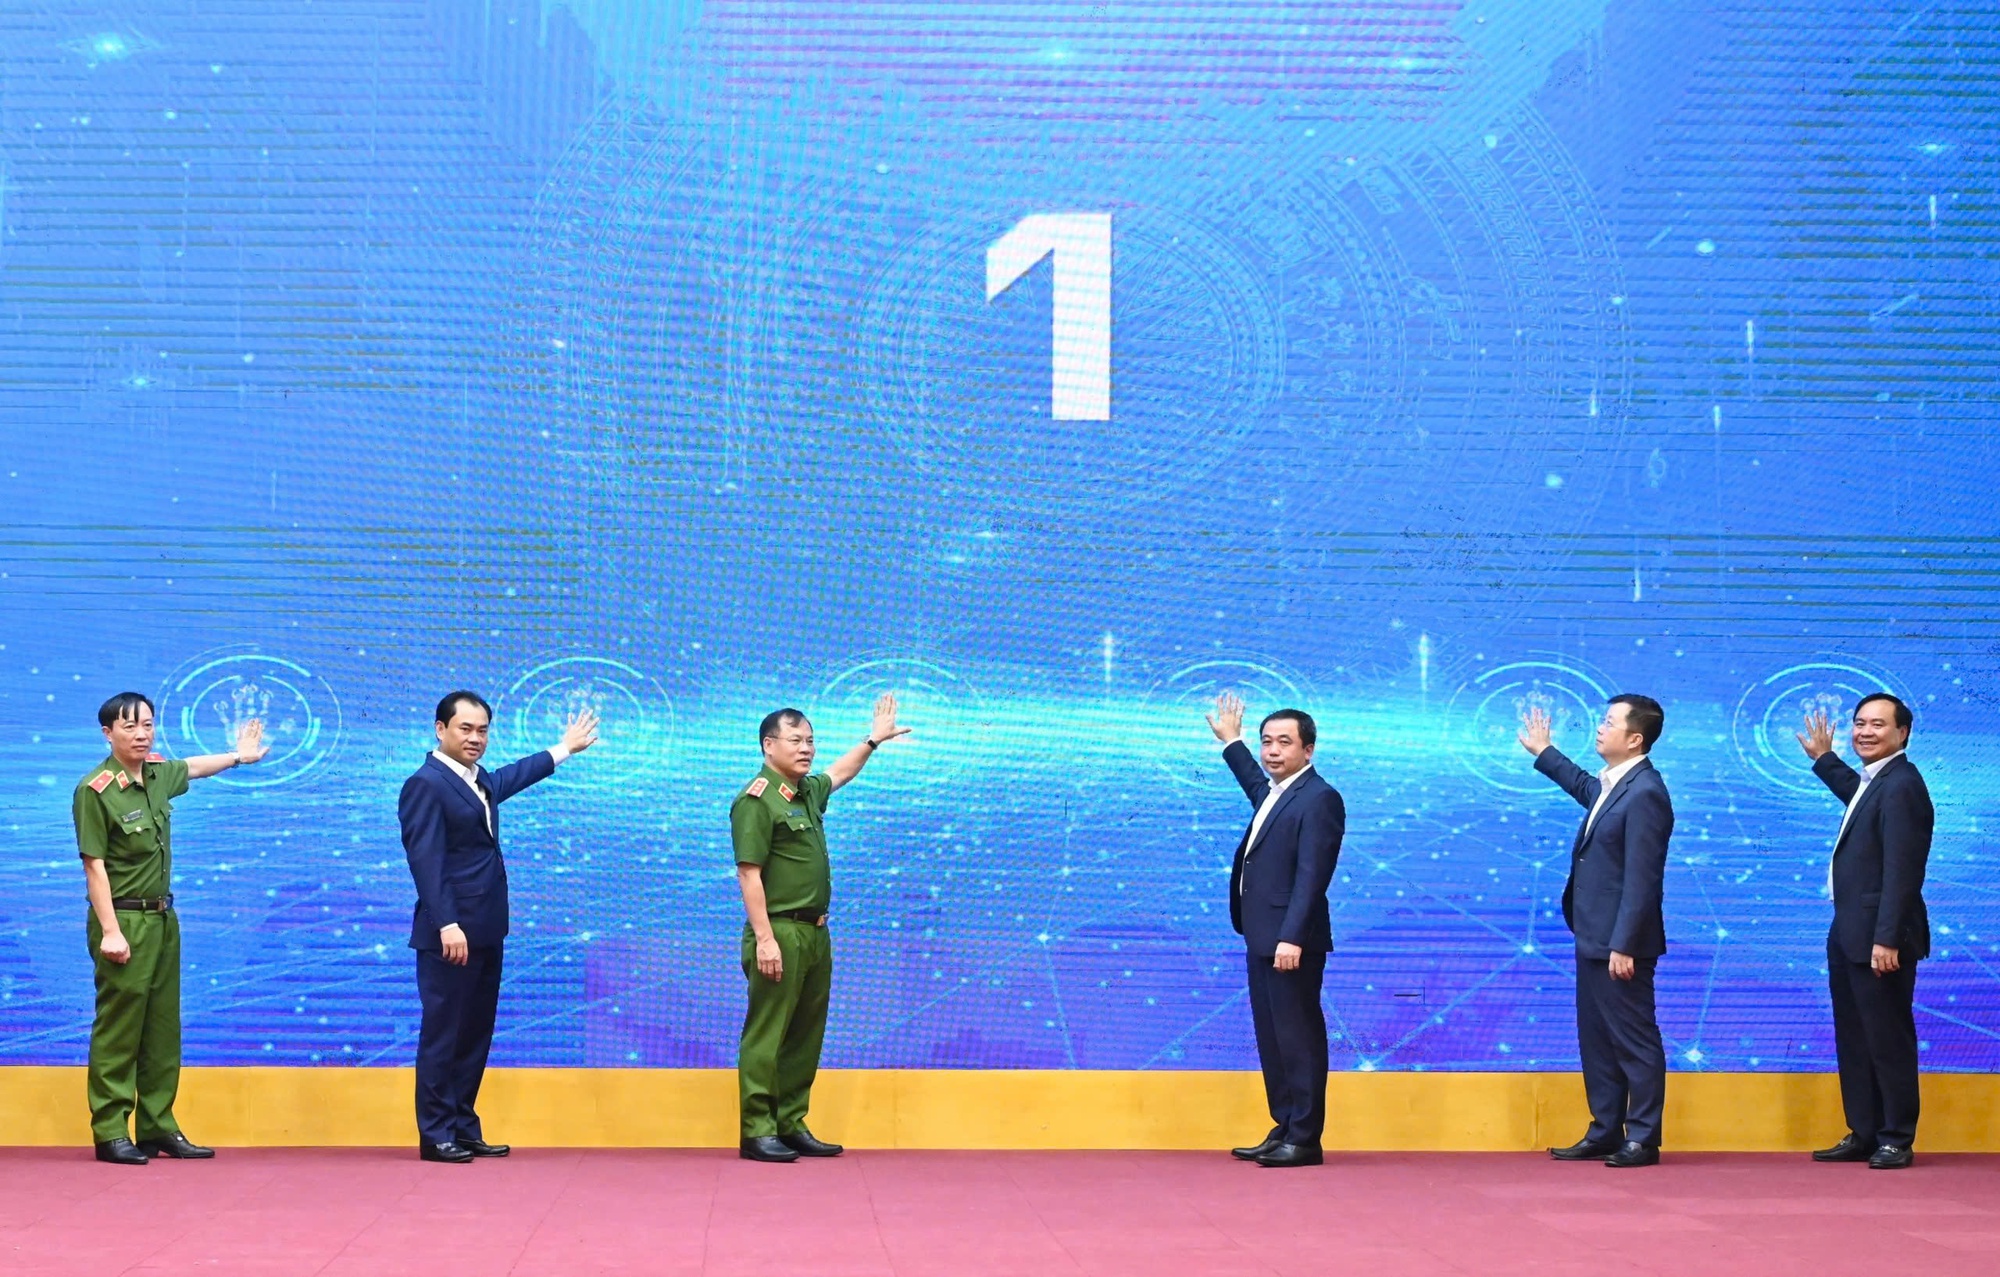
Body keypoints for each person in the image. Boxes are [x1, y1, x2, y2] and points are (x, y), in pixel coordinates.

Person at [399, 691, 598, 1163]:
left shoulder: (477, 779)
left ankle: (463, 1126)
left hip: (487, 928)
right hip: (450, 934)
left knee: (474, 1033)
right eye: (465, 729)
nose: (475, 738)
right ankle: (436, 1133)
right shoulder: (425, 784)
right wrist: (447, 923)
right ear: (440, 729)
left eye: (483, 730)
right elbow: (426, 861)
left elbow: (513, 777)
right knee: (444, 1033)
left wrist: (564, 748)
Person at [72, 691, 269, 1165]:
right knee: (120, 1028)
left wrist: (239, 756)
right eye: (129, 727)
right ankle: (110, 1129)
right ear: (108, 734)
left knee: (162, 1027)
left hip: (163, 919)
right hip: (123, 921)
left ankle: (157, 1125)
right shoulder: (95, 790)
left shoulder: (157, 773)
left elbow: (195, 767)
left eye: (147, 724)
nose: (141, 734)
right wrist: (111, 931)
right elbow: (94, 867)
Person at [732, 693, 908, 1162]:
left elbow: (840, 773)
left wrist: (873, 739)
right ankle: (757, 1129)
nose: (806, 748)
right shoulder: (756, 800)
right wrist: (765, 939)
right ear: (769, 745)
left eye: (810, 740)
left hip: (815, 932)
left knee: (805, 1032)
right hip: (780, 932)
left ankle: (791, 1122)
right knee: (768, 1032)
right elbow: (749, 874)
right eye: (795, 740)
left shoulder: (805, 792)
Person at [1519, 695, 1673, 1168]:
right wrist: (1545, 751)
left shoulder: (1646, 792)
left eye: (1609, 722)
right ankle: (1605, 1129)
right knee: (1598, 1039)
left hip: (1620, 944)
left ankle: (1642, 1136)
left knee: (1633, 1039)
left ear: (1635, 738)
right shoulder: (1615, 784)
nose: (1600, 728)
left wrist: (1625, 943)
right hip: (1592, 936)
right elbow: (1584, 786)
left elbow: (1643, 878)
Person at [1205, 692, 1344, 1168]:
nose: (1273, 751)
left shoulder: (1320, 798)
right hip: (1261, 936)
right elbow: (1252, 778)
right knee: (1273, 1036)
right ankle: (1283, 1125)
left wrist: (1293, 936)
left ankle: (1305, 1137)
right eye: (1267, 741)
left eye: (1285, 742)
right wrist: (1232, 741)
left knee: (1298, 1036)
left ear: (1308, 749)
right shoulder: (1275, 793)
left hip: (1291, 941)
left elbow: (1313, 875)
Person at [1797, 693, 1932, 1169]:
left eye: (1878, 724)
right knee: (1855, 1036)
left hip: (1880, 936)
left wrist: (1887, 937)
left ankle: (1896, 1136)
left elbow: (1903, 871)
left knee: (1887, 1038)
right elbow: (1858, 796)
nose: (1865, 732)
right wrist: (1824, 759)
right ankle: (1865, 1130)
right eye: (1860, 723)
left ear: (1903, 733)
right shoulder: (1878, 781)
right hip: (1850, 930)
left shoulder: (1904, 785)